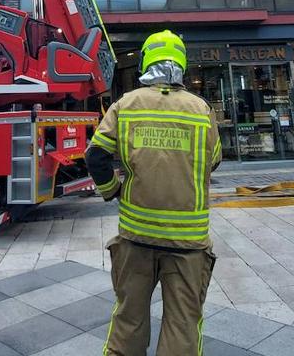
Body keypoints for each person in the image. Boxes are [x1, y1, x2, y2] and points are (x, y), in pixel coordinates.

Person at [86, 30, 220, 356]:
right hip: (188, 244)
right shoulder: (200, 109)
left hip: (136, 237)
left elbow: (95, 155)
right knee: (183, 325)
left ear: (146, 60)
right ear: (182, 64)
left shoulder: (126, 105)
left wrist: (112, 191)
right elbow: (213, 160)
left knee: (128, 320)